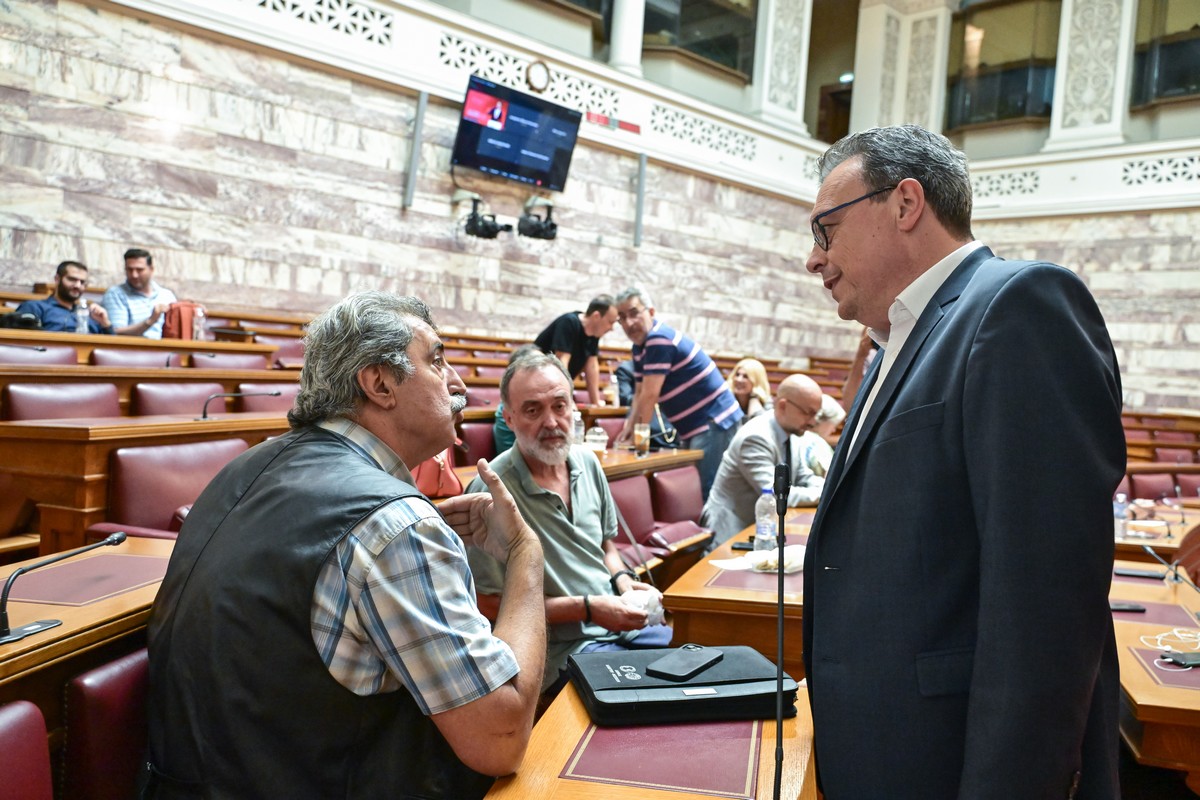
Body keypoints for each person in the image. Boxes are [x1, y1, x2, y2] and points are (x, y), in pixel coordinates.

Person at [802, 125, 1124, 799]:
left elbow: (1046, 612)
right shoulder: (901, 337)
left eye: (825, 229)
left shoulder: (1017, 306)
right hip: (885, 753)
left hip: (952, 768)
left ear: (905, 203)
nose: (814, 258)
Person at [143, 292, 547, 799]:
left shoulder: (246, 466)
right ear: (379, 383)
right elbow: (501, 738)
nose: (459, 383)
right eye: (438, 361)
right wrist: (525, 555)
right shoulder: (394, 527)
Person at [466, 350, 671, 697]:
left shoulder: (587, 462)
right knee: (651, 701)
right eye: (533, 410)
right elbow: (488, 604)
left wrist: (624, 584)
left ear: (573, 409)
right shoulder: (491, 491)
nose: (550, 421)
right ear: (509, 418)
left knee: (695, 669)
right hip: (563, 653)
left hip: (620, 627)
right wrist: (589, 609)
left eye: (560, 406)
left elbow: (606, 546)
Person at [614, 287, 742, 499]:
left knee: (705, 490)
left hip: (713, 420)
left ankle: (711, 533)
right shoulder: (640, 348)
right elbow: (639, 393)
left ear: (651, 312)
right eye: (621, 318)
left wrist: (638, 439)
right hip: (697, 426)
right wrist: (627, 431)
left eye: (634, 313)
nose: (628, 323)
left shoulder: (659, 338)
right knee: (694, 488)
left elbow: (649, 396)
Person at [700, 374, 825, 547]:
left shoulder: (792, 432)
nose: (812, 422)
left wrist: (826, 487)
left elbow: (804, 477)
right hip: (731, 533)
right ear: (783, 406)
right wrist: (824, 494)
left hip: (762, 529)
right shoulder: (755, 437)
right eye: (808, 413)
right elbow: (776, 495)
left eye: (816, 414)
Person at [533, 296, 620, 406]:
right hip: (539, 386)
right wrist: (567, 399)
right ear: (596, 316)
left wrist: (596, 402)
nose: (611, 328)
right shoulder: (569, 322)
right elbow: (561, 363)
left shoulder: (594, 334)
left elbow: (592, 367)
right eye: (610, 322)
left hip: (554, 390)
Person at [15, 261, 113, 334]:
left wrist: (105, 324)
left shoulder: (91, 315)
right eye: (72, 279)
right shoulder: (35, 308)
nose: (77, 285)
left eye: (82, 282)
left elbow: (113, 349)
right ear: (57, 279)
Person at [101, 248, 178, 338]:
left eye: (139, 270)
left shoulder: (167, 295)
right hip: (130, 350)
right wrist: (150, 321)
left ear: (151, 269)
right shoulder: (115, 294)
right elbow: (114, 333)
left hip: (167, 349)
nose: (134, 275)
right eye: (130, 270)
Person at [796, 394, 845, 477]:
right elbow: (828, 478)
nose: (833, 430)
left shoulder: (793, 435)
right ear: (823, 420)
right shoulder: (818, 444)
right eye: (834, 425)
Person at [725, 357, 772, 422]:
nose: (739, 380)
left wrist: (754, 398)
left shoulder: (766, 402)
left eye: (745, 376)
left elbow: (759, 425)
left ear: (756, 381)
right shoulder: (726, 399)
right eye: (737, 375)